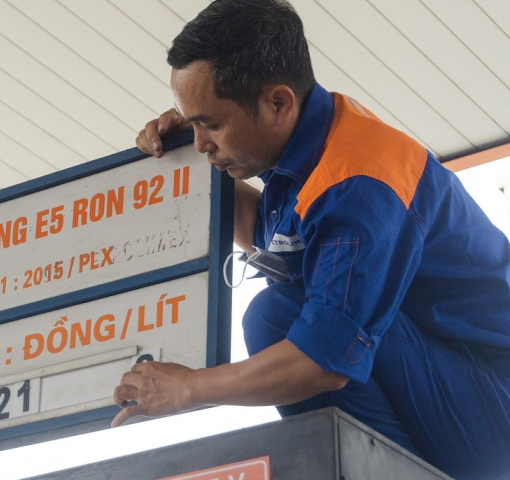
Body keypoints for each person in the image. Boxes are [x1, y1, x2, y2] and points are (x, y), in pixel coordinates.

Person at [111, 1, 510, 478]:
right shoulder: (313, 147)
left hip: (494, 405)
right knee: (278, 313)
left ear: (278, 103)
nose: (199, 142)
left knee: (277, 317)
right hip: (457, 393)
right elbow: (274, 240)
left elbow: (324, 358)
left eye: (211, 124)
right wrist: (189, 162)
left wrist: (189, 388)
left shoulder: (360, 183)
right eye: (192, 123)